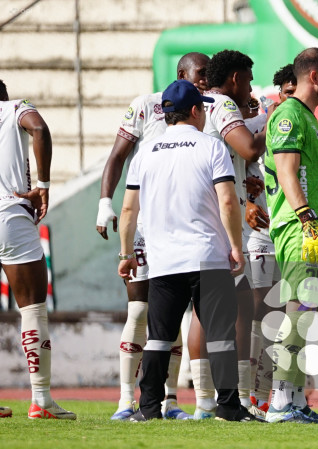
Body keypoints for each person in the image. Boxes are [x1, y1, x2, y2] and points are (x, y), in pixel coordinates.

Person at [117, 79, 258, 422]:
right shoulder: (211, 147)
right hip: (208, 256)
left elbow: (129, 210)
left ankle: (148, 408)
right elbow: (228, 201)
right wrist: (235, 246)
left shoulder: (145, 152)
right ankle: (228, 407)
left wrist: (126, 254)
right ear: (196, 110)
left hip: (163, 260)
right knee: (221, 335)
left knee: (158, 339)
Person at [96, 52, 209, 420]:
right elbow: (117, 156)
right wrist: (105, 202)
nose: (205, 80)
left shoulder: (206, 110)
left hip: (184, 230)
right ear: (181, 73)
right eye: (201, 73)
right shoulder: (145, 105)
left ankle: (169, 400)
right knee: (141, 311)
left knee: (171, 318)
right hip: (146, 228)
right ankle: (125, 400)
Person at [188, 49, 268, 420]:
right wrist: (275, 117)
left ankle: (207, 401)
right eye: (247, 81)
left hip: (202, 214)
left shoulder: (202, 106)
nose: (250, 89)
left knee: (206, 310)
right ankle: (232, 399)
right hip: (218, 218)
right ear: (235, 78)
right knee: (236, 308)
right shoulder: (222, 103)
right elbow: (248, 147)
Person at [263, 47, 318, 424]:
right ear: (314, 77)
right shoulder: (290, 114)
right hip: (300, 229)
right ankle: (279, 402)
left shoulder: (305, 116)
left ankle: (294, 400)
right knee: (297, 313)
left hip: (314, 230)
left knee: (305, 316)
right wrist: (308, 220)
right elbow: (286, 172)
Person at [0, 80, 75, 420]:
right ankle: (41, 400)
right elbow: (39, 129)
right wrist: (42, 185)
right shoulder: (14, 107)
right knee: (32, 306)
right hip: (9, 213)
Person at [244, 64, 297, 412]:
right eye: (288, 93)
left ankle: (264, 395)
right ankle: (246, 393)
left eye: (296, 93)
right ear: (279, 93)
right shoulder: (260, 120)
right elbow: (240, 161)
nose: (292, 99)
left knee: (279, 314)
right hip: (262, 230)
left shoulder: (305, 123)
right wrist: (247, 200)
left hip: (288, 230)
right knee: (258, 312)